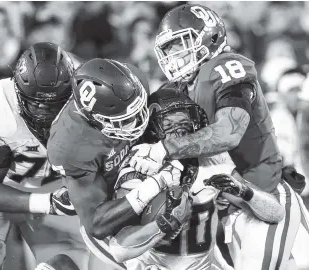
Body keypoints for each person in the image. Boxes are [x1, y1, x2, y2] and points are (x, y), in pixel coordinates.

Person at [129, 4, 302, 270]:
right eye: (168, 49)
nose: (173, 55)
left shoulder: (225, 67)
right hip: (218, 209)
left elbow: (229, 132)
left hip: (263, 196)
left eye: (179, 44)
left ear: (208, 37)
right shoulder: (175, 90)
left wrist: (166, 148)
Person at [108, 86, 286, 270]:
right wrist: (163, 224)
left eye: (184, 124)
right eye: (169, 126)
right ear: (152, 131)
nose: (179, 133)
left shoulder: (212, 160)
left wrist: (245, 191)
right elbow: (120, 249)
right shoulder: (140, 163)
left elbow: (276, 213)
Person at [47, 58, 186, 270]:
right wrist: (155, 184)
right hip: (113, 214)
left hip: (140, 172)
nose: (139, 120)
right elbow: (97, 224)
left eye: (137, 109)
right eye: (126, 119)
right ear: (96, 120)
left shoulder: (132, 82)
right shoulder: (71, 146)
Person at [0, 42, 88, 270]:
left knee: (66, 265)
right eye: (36, 103)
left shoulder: (89, 104)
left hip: (55, 188)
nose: (45, 112)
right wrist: (48, 203)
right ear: (18, 92)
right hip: (0, 186)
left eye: (56, 103)